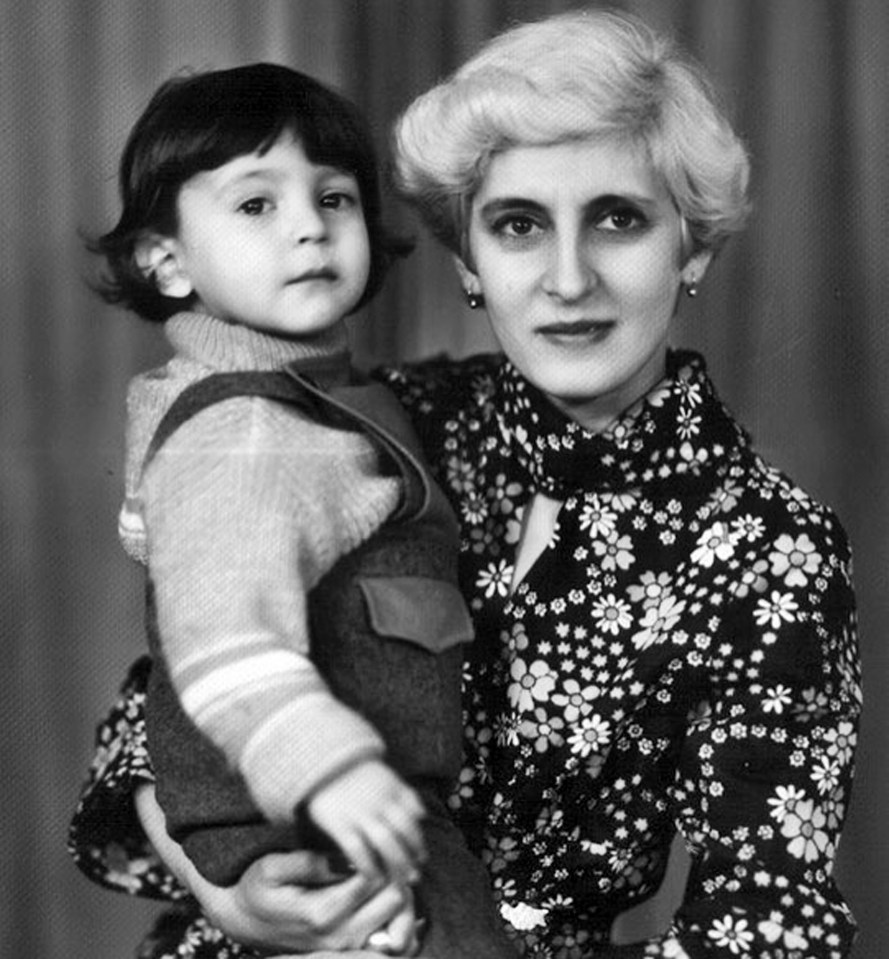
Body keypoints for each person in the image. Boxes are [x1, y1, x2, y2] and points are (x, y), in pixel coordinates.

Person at [70, 9, 862, 959]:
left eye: (618, 218)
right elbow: (165, 691)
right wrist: (226, 891)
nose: (568, 279)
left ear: (689, 248)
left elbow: (760, 930)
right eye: (519, 224)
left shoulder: (772, 552)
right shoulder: (380, 423)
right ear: (467, 260)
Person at [77, 61, 515, 958]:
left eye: (335, 197)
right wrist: (332, 770)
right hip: (323, 815)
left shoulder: (306, 402)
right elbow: (221, 639)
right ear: (165, 260)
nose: (309, 227)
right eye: (255, 205)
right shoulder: (245, 429)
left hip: (335, 808)